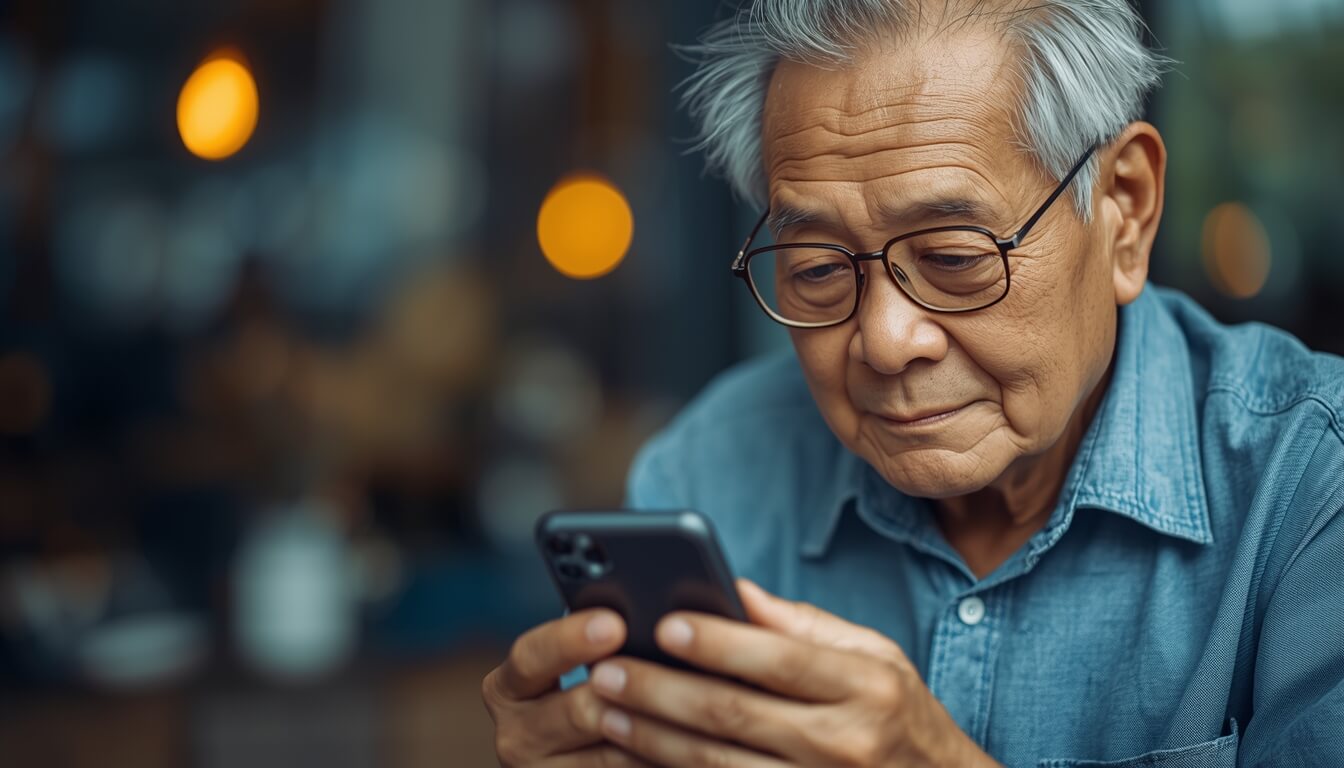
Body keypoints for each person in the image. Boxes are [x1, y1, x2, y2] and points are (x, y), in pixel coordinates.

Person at [482, 1, 1344, 765]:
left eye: (955, 259)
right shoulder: (709, 475)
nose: (886, 342)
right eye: (818, 268)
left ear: (1125, 209)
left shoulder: (1310, 483)